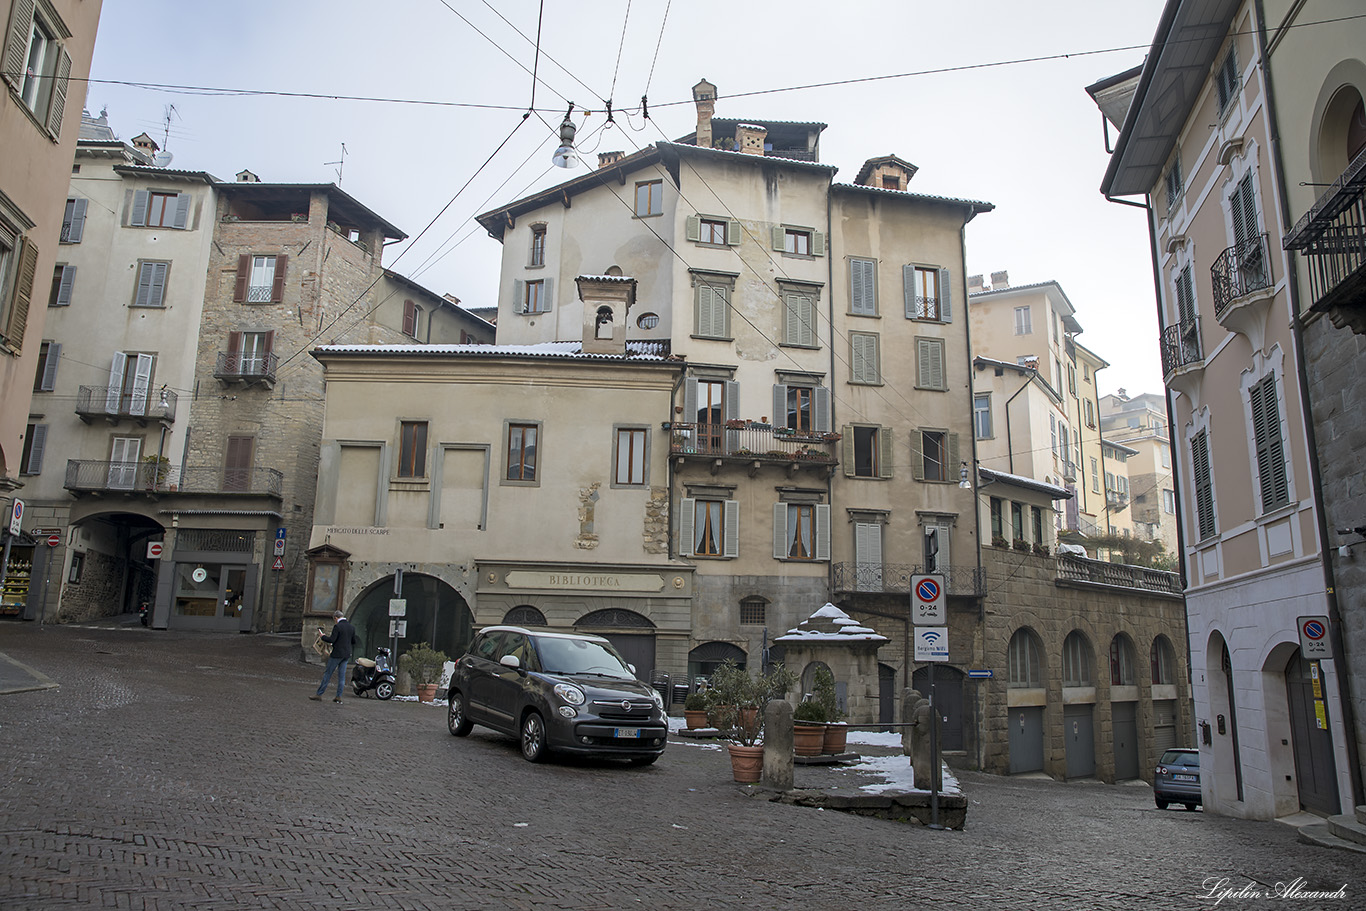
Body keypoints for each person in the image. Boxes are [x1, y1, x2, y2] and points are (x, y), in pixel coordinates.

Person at [310, 610, 357, 703]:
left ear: (336, 618)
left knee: (328, 674)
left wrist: (323, 636)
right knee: (342, 676)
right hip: (346, 654)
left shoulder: (337, 626)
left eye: (334, 619)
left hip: (336, 654)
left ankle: (319, 694)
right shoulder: (351, 627)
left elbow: (332, 639)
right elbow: (354, 641)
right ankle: (338, 696)